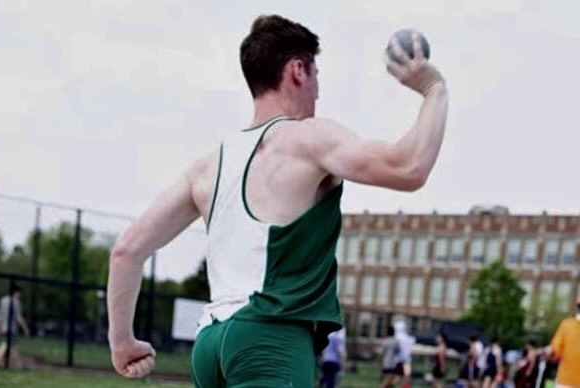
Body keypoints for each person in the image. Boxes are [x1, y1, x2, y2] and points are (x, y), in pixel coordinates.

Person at [106, 14, 449, 385]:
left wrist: (122, 342)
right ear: (298, 70)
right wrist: (434, 89)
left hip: (210, 344)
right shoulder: (308, 138)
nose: (318, 92)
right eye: (316, 77)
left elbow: (127, 251)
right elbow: (409, 168)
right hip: (271, 339)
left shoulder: (207, 167)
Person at [0, 284, 30, 368]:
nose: (20, 295)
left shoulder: (3, 300)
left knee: (12, 346)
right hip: (11, 327)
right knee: (7, 345)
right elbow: (18, 316)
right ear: (16, 293)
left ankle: (19, 365)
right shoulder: (15, 302)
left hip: (4, 326)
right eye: (19, 293)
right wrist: (25, 327)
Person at [548, 299, 580, 388]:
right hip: (566, 381)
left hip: (566, 381)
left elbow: (555, 349)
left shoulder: (566, 325)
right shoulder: (566, 325)